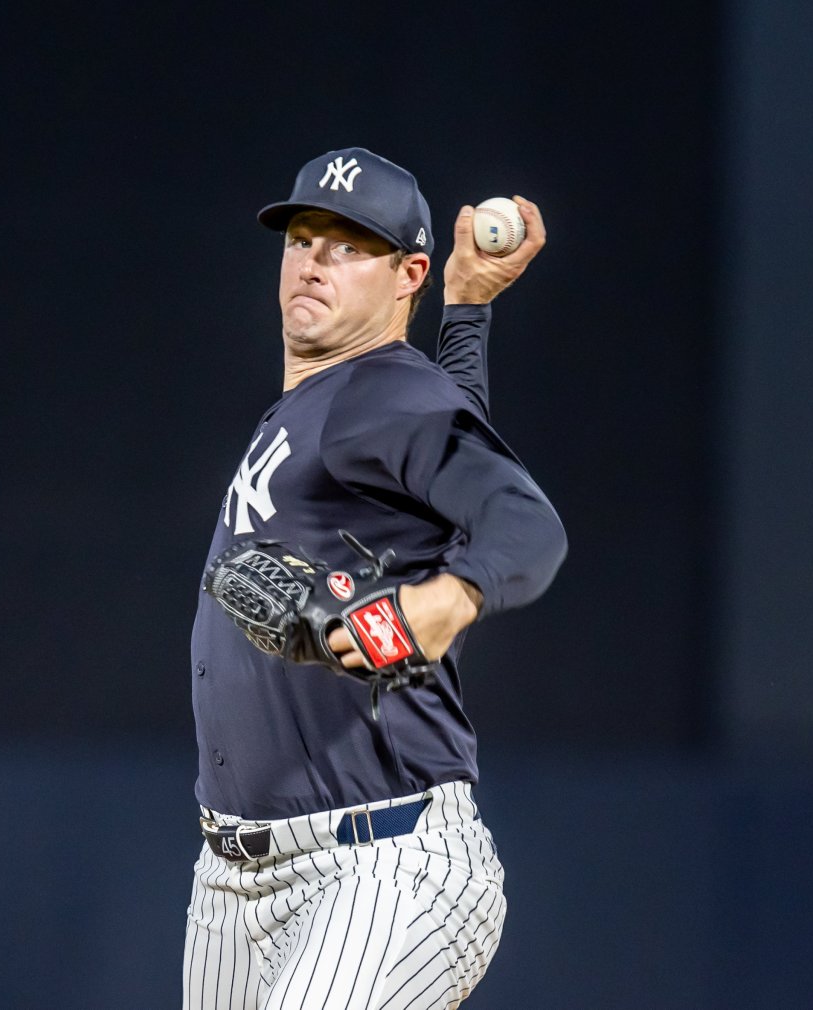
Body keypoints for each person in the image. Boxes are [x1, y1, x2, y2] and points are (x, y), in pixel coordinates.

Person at [183, 147, 567, 1010]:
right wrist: (467, 311)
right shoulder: (355, 397)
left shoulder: (379, 393)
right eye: (303, 237)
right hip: (232, 885)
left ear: (407, 274)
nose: (315, 260)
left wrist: (444, 600)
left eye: (351, 246)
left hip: (383, 865)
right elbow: (446, 418)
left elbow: (524, 523)